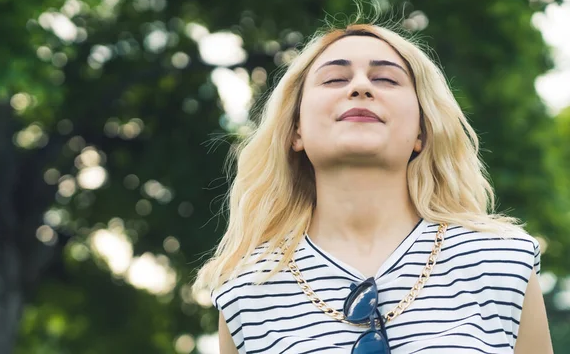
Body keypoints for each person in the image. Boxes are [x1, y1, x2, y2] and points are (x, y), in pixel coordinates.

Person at [192, 18, 553, 353]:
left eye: (386, 79)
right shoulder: (245, 290)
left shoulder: (503, 261)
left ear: (421, 131)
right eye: (334, 79)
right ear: (296, 130)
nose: (361, 86)